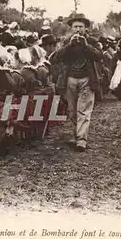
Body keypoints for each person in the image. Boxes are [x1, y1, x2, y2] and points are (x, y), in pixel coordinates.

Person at [50, 13, 103, 151]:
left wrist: (86, 46)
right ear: (71, 28)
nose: (78, 30)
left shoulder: (92, 41)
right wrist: (69, 46)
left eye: (81, 27)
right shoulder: (66, 42)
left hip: (87, 79)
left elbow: (99, 56)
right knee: (72, 110)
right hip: (69, 80)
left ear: (86, 29)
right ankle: (75, 135)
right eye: (75, 27)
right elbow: (55, 58)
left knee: (84, 111)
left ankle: (81, 139)